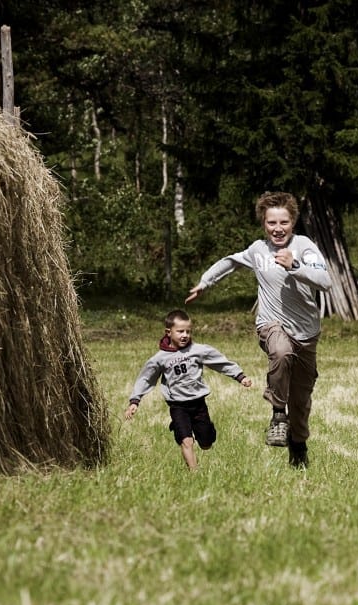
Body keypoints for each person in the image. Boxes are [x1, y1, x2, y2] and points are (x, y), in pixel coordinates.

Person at [185, 191, 332, 468]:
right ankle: (278, 413)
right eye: (271, 223)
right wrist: (205, 282)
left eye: (284, 222)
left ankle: (298, 445)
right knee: (280, 351)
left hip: (307, 333)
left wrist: (295, 266)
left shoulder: (304, 246)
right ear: (263, 224)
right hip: (271, 323)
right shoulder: (258, 250)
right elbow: (230, 261)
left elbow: (325, 281)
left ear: (294, 222)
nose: (278, 229)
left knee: (301, 401)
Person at [124, 309, 253, 470]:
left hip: (198, 403)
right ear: (168, 332)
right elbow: (145, 378)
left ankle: (205, 433)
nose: (184, 335)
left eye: (188, 331)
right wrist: (135, 400)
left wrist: (240, 376)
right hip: (178, 406)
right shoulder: (159, 359)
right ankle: (194, 472)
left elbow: (220, 362)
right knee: (187, 441)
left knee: (206, 443)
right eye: (180, 331)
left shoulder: (198, 350)